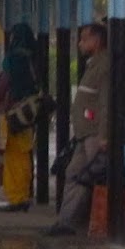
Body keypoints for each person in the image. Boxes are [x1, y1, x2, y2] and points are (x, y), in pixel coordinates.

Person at [49, 21, 110, 237]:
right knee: (74, 173)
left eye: (85, 39)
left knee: (100, 177)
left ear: (97, 40)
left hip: (96, 134)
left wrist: (104, 135)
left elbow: (105, 104)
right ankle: (67, 222)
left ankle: (103, 222)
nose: (80, 44)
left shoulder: (104, 66)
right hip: (85, 134)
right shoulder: (93, 65)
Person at [0, 22, 42, 212]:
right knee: (25, 152)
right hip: (29, 112)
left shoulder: (13, 57)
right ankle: (24, 193)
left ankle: (16, 197)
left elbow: (5, 82)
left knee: (12, 154)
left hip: (14, 111)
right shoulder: (34, 57)